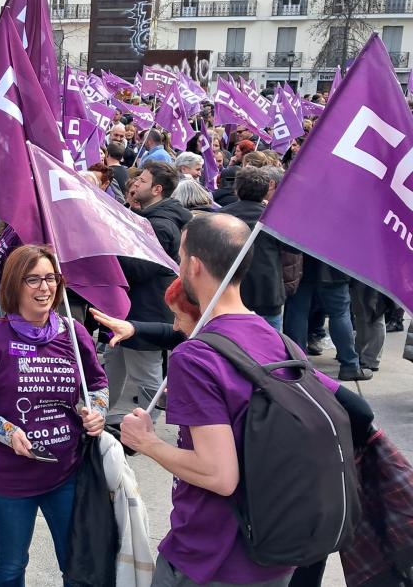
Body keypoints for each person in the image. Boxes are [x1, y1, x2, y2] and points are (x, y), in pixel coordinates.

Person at [118, 214, 342, 586]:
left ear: (193, 266)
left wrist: (147, 442)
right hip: (273, 548)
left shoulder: (197, 356)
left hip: (212, 556)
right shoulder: (278, 339)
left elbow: (218, 475)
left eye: (180, 256)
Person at [0, 244, 108, 587]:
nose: (45, 288)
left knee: (75, 563)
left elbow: (97, 383)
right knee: (11, 565)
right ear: (13, 285)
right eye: (33, 279)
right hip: (8, 478)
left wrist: (96, 411)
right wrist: (6, 431)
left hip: (66, 472)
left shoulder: (73, 333)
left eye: (51, 278)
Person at [108, 161, 191, 418]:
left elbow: (138, 269)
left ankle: (147, 422)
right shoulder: (150, 217)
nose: (134, 183)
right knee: (112, 365)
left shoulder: (159, 225)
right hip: (133, 309)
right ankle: (100, 414)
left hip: (146, 311)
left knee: (146, 374)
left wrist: (109, 253)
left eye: (142, 181)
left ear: (156, 189)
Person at [218, 167, 288, 332]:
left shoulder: (221, 216)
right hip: (266, 291)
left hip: (232, 290)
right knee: (271, 350)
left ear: (237, 189)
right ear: (265, 191)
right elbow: (294, 249)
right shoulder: (273, 217)